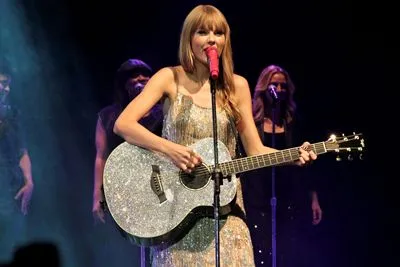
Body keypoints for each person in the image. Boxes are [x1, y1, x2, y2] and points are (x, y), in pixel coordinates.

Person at [113, 5, 317, 266]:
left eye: (218, 33)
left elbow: (255, 150)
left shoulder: (237, 86)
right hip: (176, 215)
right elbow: (124, 124)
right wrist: (170, 149)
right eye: (202, 32)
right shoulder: (169, 77)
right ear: (189, 38)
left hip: (227, 215)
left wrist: (293, 156)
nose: (211, 39)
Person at [241, 64, 323, 267]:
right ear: (263, 88)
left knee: (287, 250)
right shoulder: (251, 122)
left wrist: (314, 199)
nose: (278, 90)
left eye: (283, 86)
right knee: (261, 249)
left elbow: (308, 164)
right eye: (274, 85)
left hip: (288, 194)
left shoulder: (293, 121)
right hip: (256, 194)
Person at [92, 59, 163, 266]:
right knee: (126, 247)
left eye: (144, 74)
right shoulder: (109, 116)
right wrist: (97, 195)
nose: (140, 78)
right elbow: (101, 156)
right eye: (133, 75)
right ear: (124, 83)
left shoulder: (164, 111)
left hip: (158, 187)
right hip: (121, 188)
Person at [0, 68, 34, 262]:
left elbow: (22, 151)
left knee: (13, 243)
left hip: (11, 185)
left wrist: (29, 181)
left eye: (8, 84)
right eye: (2, 82)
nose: (5, 88)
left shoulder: (13, 115)